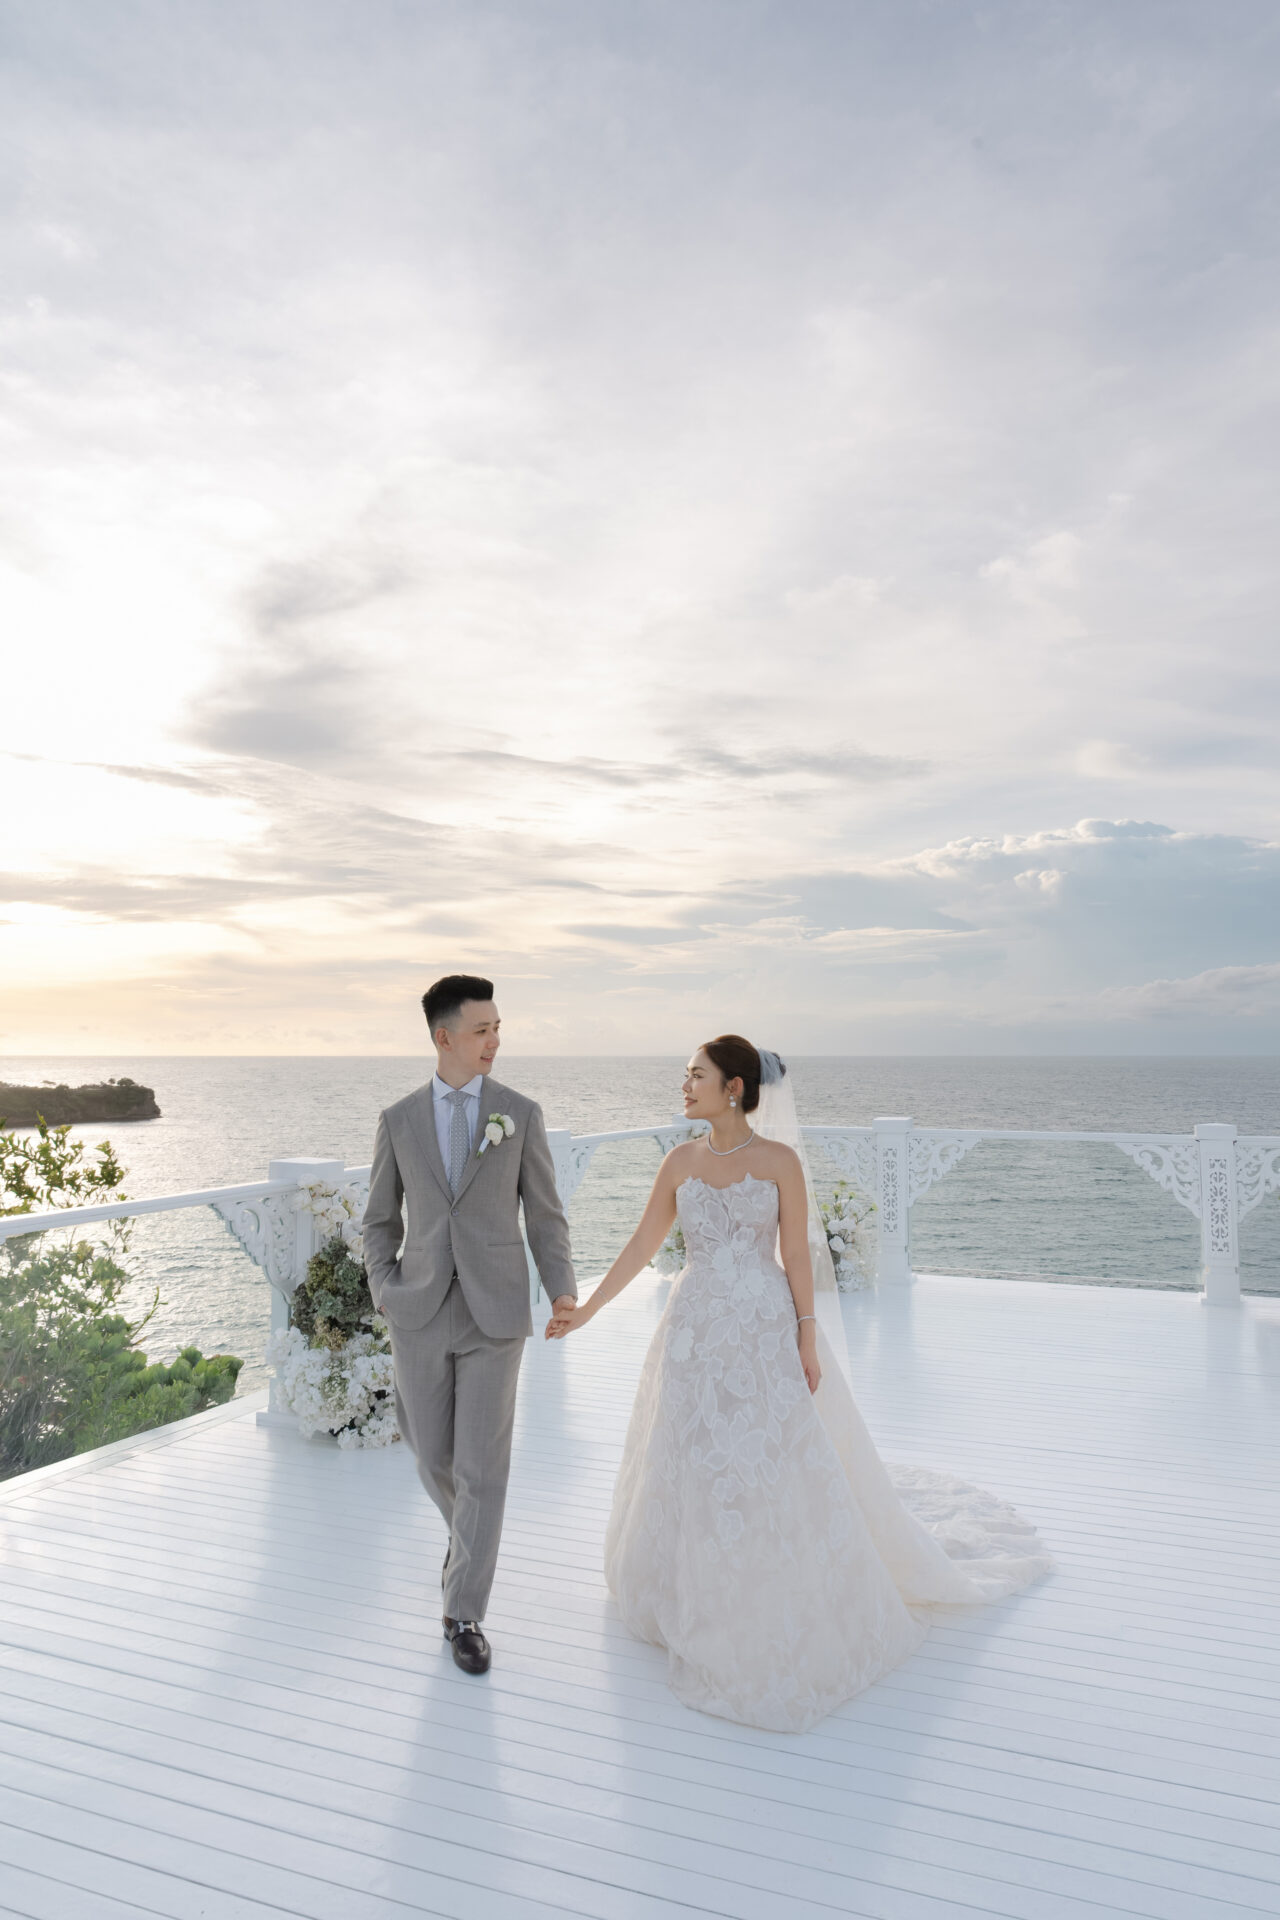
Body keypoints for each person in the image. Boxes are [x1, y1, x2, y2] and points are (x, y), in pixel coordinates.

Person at [547, 1035, 1050, 1732]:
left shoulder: (780, 1162)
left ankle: (764, 1574)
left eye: (696, 1076)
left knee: (766, 1451)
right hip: (693, 1331)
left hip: (761, 1324)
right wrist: (589, 1309)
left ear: (734, 1087)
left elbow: (795, 1256)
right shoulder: (679, 1160)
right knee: (691, 1448)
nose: (683, 1086)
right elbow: (639, 1244)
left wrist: (807, 1334)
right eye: (684, 1076)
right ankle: (690, 1581)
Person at [364, 974, 577, 1675]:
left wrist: (564, 1292)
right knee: (432, 1457)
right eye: (481, 1029)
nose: (494, 1041)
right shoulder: (397, 1120)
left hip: (496, 1312)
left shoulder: (520, 1112)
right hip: (419, 1309)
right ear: (443, 1036)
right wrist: (385, 1288)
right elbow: (379, 1221)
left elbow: (545, 1214)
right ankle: (466, 1545)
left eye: (498, 1028)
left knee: (484, 1471)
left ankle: (464, 1613)